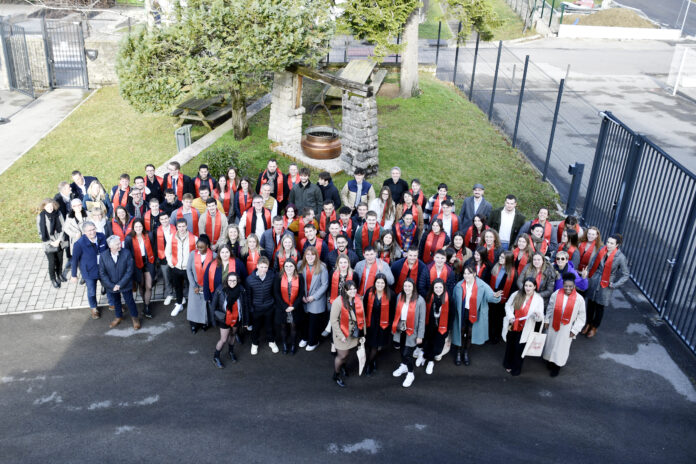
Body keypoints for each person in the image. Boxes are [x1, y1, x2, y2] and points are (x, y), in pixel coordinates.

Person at [452, 266, 502, 366]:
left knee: (470, 333)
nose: (466, 276)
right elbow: (454, 300)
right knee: (460, 332)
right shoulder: (459, 285)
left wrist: (495, 296)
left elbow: (490, 296)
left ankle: (465, 352)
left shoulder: (482, 285)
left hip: (475, 313)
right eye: (464, 273)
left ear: (474, 274)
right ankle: (458, 352)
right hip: (462, 312)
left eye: (469, 273)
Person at [585, 234, 630, 338]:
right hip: (595, 280)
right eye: (608, 242)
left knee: (599, 307)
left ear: (617, 245)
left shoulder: (620, 257)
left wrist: (614, 284)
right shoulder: (601, 250)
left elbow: (625, 274)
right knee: (590, 304)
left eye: (612, 243)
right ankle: (588, 323)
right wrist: (589, 275)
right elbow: (592, 264)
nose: (608, 245)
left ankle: (594, 327)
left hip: (606, 284)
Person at [543, 274, 587, 377]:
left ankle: (557, 366)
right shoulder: (556, 293)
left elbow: (581, 317)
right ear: (563, 285)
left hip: (567, 327)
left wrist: (575, 330)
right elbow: (550, 307)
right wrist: (546, 320)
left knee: (561, 347)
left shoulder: (579, 299)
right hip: (554, 323)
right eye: (566, 286)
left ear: (574, 286)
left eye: (570, 286)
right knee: (551, 343)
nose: (568, 288)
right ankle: (549, 361)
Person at [501, 278, 544, 376]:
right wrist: (511, 316)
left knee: (519, 348)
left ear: (535, 287)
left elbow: (540, 318)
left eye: (530, 286)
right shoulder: (516, 294)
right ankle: (508, 364)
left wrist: (537, 315)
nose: (527, 288)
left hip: (526, 327)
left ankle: (516, 367)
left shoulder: (538, 299)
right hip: (513, 324)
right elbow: (508, 305)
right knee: (510, 345)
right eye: (526, 285)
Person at [390, 278, 426, 388]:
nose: (407, 288)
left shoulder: (420, 300)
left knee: (407, 353)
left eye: (409, 286)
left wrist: (420, 336)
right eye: (405, 286)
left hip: (412, 330)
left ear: (413, 287)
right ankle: (404, 365)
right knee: (401, 350)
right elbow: (397, 313)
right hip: (401, 328)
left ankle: (410, 373)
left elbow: (421, 320)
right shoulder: (399, 296)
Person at [99, 235, 140, 329]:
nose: (120, 245)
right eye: (117, 244)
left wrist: (120, 284)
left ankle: (135, 318)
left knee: (129, 301)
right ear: (110, 246)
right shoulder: (103, 256)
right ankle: (118, 316)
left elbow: (129, 271)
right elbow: (102, 273)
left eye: (120, 243)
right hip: (111, 286)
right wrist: (111, 285)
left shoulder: (126, 253)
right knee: (116, 301)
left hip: (125, 284)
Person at [330, 280, 365, 387]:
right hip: (342, 333)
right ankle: (336, 374)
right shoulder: (338, 302)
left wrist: (363, 334)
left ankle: (343, 367)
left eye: (354, 289)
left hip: (354, 333)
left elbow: (363, 317)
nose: (353, 291)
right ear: (345, 290)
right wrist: (341, 335)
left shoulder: (359, 299)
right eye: (350, 289)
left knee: (348, 353)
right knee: (342, 355)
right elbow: (333, 320)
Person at [70, 220, 109, 317]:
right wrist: (73, 275)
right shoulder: (79, 244)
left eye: (93, 229)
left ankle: (112, 304)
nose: (92, 232)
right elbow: (74, 260)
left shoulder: (101, 237)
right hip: (89, 272)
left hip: (103, 269)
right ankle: (94, 308)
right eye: (89, 231)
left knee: (109, 287)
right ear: (84, 232)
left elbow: (107, 251)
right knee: (91, 291)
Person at [210, 272, 248, 367]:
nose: (232, 282)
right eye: (230, 280)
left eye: (234, 280)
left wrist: (246, 320)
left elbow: (245, 306)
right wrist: (213, 321)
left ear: (237, 281)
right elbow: (213, 306)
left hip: (236, 318)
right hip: (224, 319)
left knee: (233, 334)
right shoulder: (220, 290)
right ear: (227, 281)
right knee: (223, 339)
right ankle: (216, 357)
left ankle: (231, 352)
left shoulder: (241, 290)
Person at [363, 273, 395, 376]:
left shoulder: (391, 294)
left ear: (385, 284)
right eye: (378, 282)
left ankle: (369, 364)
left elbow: (393, 311)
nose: (380, 284)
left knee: (376, 345)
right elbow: (363, 307)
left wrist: (391, 325)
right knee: (370, 344)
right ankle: (373, 360)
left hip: (383, 325)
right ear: (375, 282)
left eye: (382, 283)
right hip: (370, 323)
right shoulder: (369, 292)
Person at [245, 256, 278, 355]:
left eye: (266, 267)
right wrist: (251, 308)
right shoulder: (250, 279)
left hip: (269, 307)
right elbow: (248, 296)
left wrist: (274, 305)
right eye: (262, 267)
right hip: (256, 308)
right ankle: (255, 344)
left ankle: (271, 342)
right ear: (257, 266)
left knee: (270, 326)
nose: (264, 269)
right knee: (256, 328)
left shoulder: (271, 276)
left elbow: (274, 291)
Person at [421, 278, 454, 375]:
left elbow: (452, 315)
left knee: (437, 347)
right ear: (433, 288)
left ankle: (430, 361)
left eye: (440, 287)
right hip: (430, 326)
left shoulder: (449, 299)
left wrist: (448, 329)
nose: (438, 289)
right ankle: (426, 358)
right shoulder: (429, 297)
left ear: (444, 288)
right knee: (427, 344)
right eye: (436, 287)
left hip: (442, 328)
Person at [298, 247, 328, 351]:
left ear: (316, 255)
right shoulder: (300, 265)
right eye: (308, 255)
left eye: (312, 255)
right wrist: (301, 295)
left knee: (313, 322)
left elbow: (325, 285)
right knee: (304, 320)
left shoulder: (322, 267)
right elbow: (297, 281)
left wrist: (313, 297)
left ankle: (314, 341)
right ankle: (305, 338)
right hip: (303, 297)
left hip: (316, 298)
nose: (310, 257)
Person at [125, 218, 156, 318]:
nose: (138, 228)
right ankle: (145, 304)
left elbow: (154, 248)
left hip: (148, 262)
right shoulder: (129, 238)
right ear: (133, 227)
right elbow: (127, 254)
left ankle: (147, 307)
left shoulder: (149, 235)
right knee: (141, 286)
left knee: (149, 286)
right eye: (136, 226)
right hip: (136, 263)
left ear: (143, 226)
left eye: (140, 226)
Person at [165, 218, 197, 316]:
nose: (182, 229)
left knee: (192, 287)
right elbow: (168, 252)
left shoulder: (194, 238)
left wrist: (192, 267)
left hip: (188, 269)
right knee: (177, 287)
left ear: (186, 226)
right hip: (176, 267)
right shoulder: (172, 237)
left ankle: (194, 306)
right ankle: (179, 304)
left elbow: (196, 254)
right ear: (177, 227)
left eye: (183, 226)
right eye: (179, 226)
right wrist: (171, 264)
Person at [274, 259, 305, 355]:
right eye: (286, 266)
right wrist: (284, 306)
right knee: (283, 326)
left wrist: (294, 306)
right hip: (282, 307)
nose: (288, 268)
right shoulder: (278, 276)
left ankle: (292, 345)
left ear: (295, 267)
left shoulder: (299, 277)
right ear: (283, 267)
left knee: (293, 326)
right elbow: (276, 293)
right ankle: (284, 345)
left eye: (291, 266)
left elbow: (301, 293)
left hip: (294, 307)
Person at [488, 251, 518, 344]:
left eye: (503, 258)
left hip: (504, 300)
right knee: (491, 316)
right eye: (500, 256)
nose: (500, 259)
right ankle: (489, 335)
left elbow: (513, 289)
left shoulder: (513, 273)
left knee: (498, 318)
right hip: (493, 295)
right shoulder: (496, 267)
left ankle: (496, 336)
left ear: (508, 260)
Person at [37, 198, 68, 289]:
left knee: (60, 259)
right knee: (52, 262)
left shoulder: (58, 213)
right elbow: (41, 233)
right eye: (47, 206)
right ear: (44, 207)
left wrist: (59, 240)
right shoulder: (40, 217)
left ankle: (59, 274)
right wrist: (52, 242)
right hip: (48, 243)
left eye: (51, 206)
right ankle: (53, 278)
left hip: (60, 241)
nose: (50, 208)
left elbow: (63, 227)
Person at [186, 235, 214, 333]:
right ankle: (193, 325)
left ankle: (205, 323)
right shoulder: (193, 254)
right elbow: (188, 270)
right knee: (194, 306)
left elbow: (214, 272)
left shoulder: (213, 256)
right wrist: (194, 285)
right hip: (195, 285)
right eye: (198, 247)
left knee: (205, 306)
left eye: (202, 247)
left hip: (207, 286)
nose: (199, 249)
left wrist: (206, 287)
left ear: (207, 246)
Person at [153, 213, 176, 305]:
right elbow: (155, 245)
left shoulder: (175, 228)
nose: (164, 221)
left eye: (166, 218)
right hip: (163, 258)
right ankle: (169, 294)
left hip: (175, 256)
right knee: (166, 277)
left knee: (176, 276)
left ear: (169, 218)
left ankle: (179, 295)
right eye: (162, 219)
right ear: (160, 221)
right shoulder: (156, 231)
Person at [63, 198, 86, 275]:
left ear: (82, 205)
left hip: (86, 241)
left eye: (79, 205)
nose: (77, 207)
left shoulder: (88, 214)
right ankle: (83, 274)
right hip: (76, 241)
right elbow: (65, 228)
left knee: (87, 258)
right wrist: (74, 234)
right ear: (72, 207)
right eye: (75, 206)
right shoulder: (69, 217)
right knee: (78, 259)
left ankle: (87, 273)